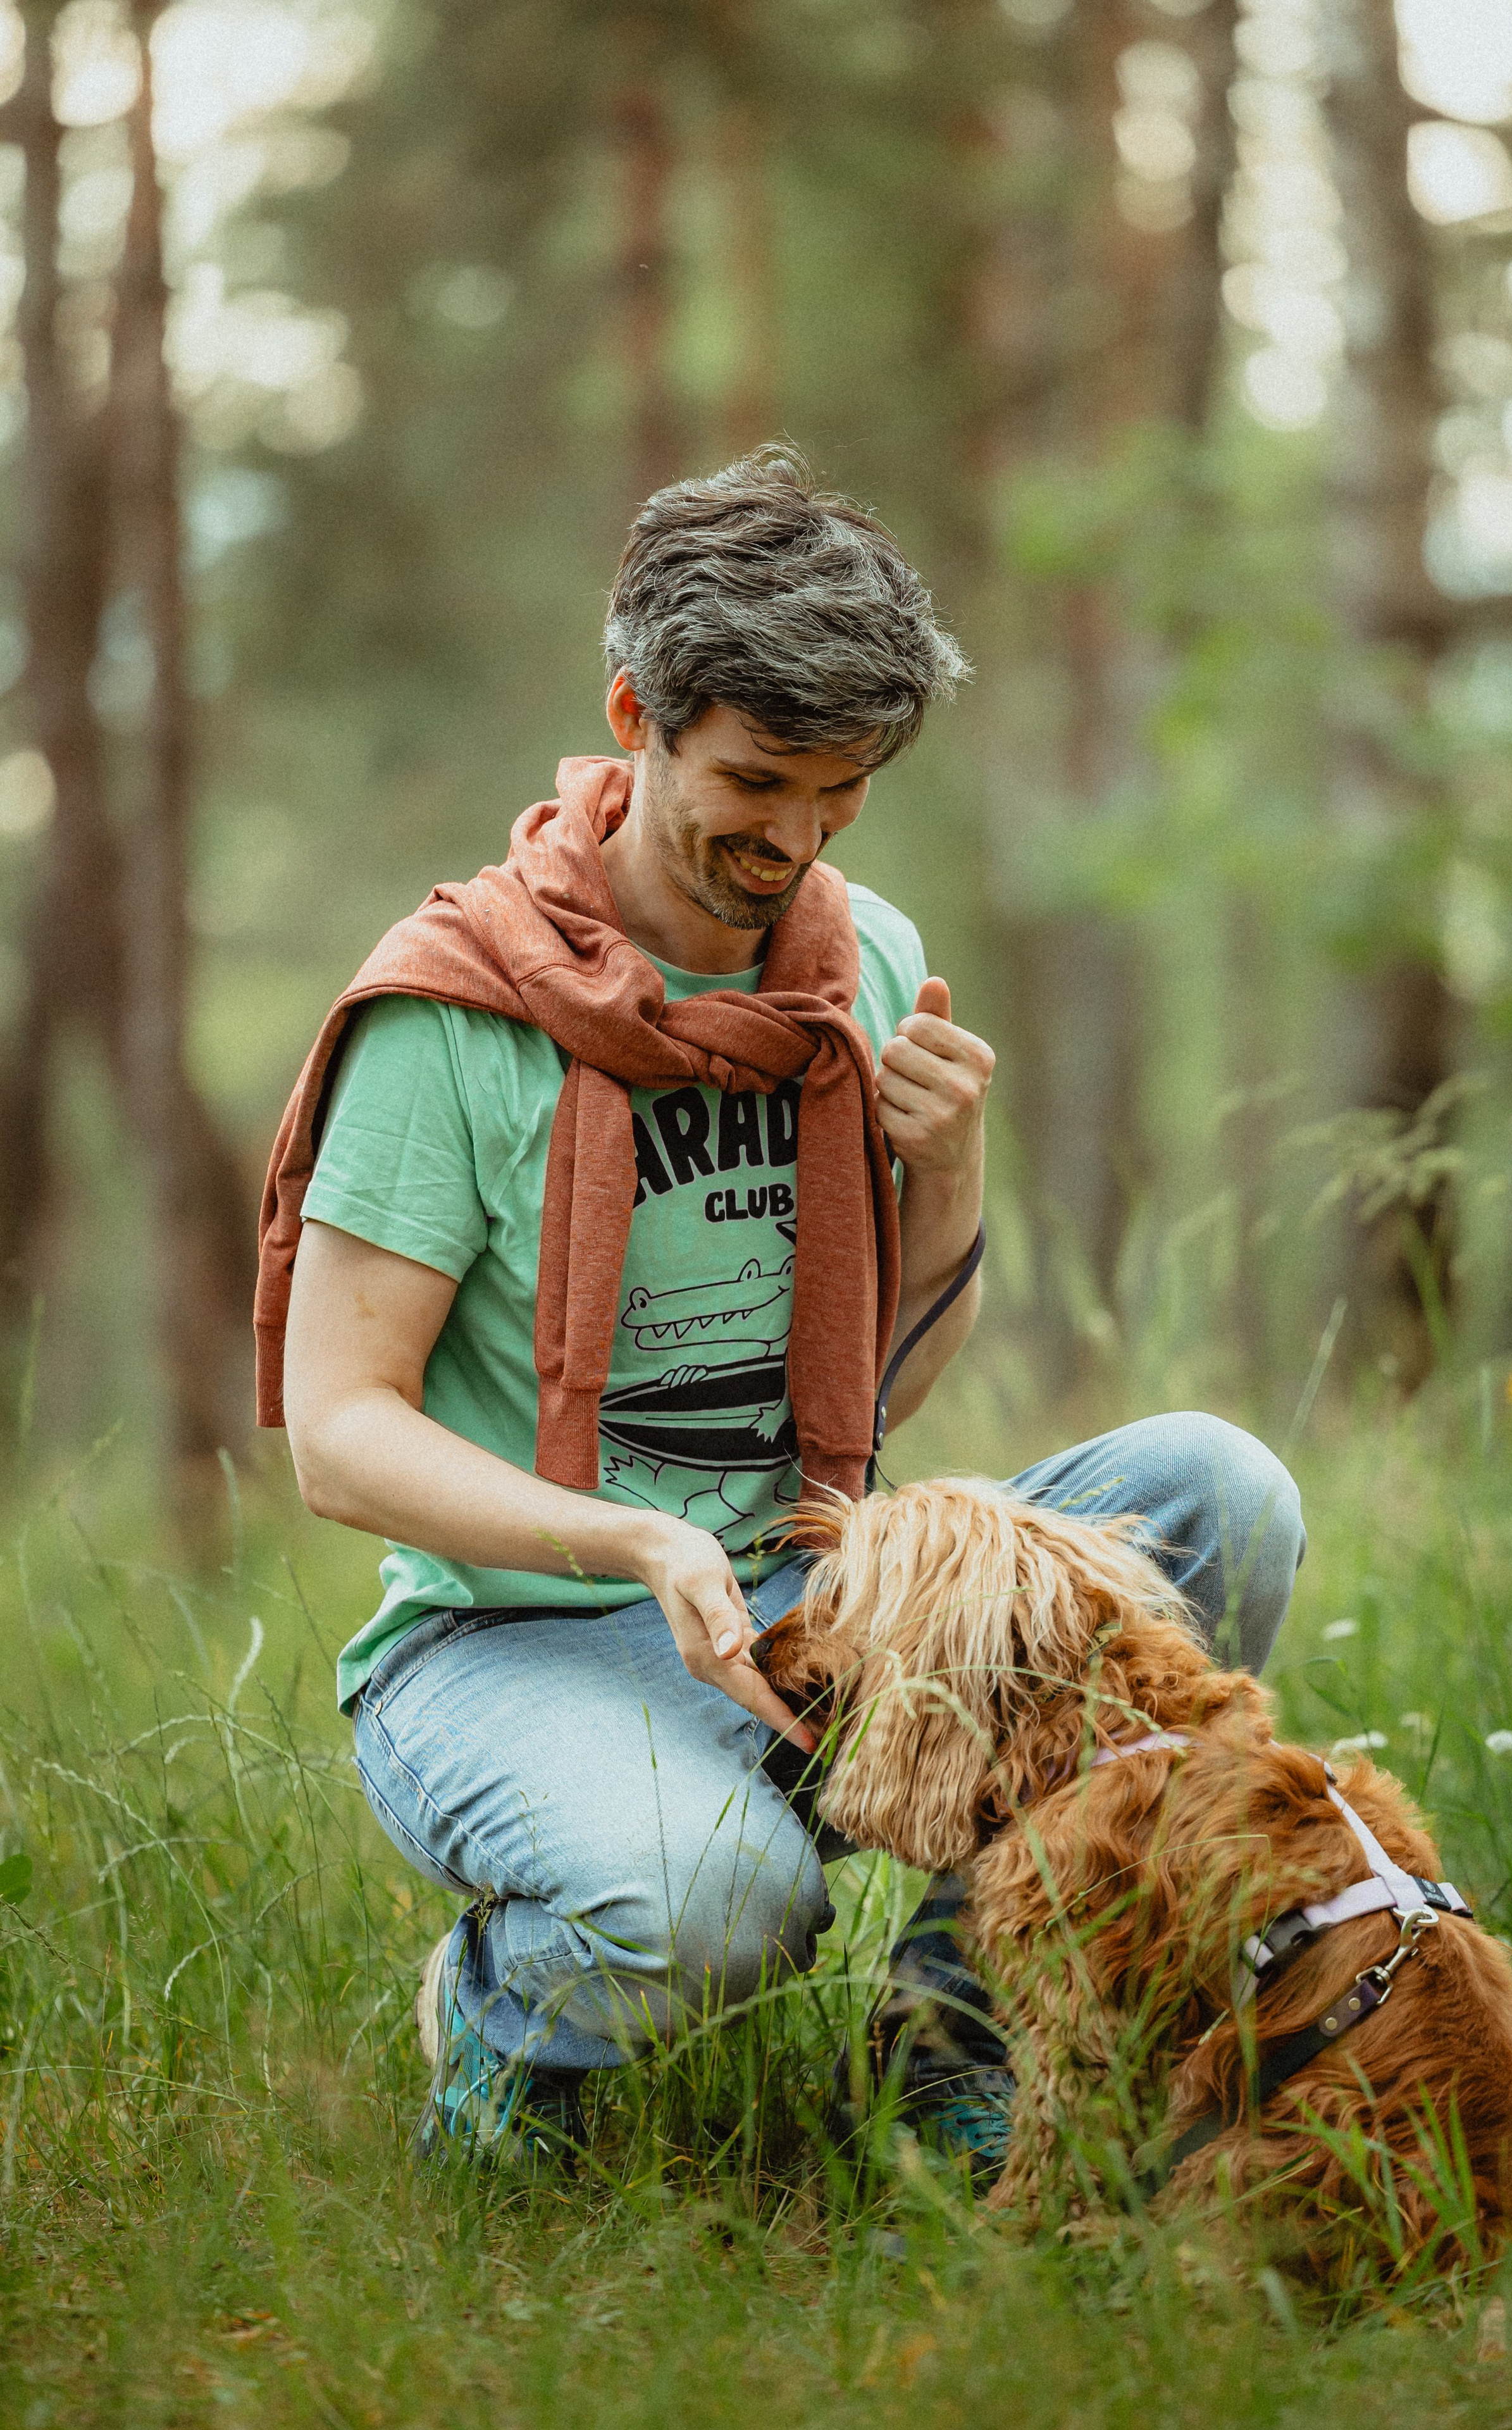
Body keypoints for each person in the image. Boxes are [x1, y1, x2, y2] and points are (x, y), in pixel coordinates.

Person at [262, 448, 1304, 2172]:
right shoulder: (450, 1019)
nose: (798, 840)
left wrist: (949, 1179)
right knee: (716, 1906)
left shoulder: (859, 958)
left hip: (809, 1593)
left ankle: (954, 2030)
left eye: (843, 794)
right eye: (758, 783)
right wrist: (631, 1545)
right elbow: (342, 1436)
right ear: (633, 714)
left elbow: (876, 1391)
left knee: (1217, 1490)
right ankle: (505, 2013)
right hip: (515, 1640)